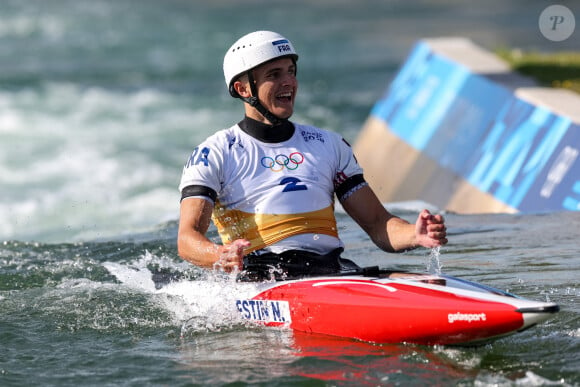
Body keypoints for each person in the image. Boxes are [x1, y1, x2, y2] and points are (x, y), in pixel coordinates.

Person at [177, 31, 447, 281]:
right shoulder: (215, 152)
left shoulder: (328, 144)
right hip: (263, 277)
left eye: (291, 72)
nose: (289, 82)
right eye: (274, 74)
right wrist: (219, 255)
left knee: (435, 285)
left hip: (331, 272)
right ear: (243, 89)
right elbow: (187, 239)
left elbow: (378, 224)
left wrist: (415, 233)